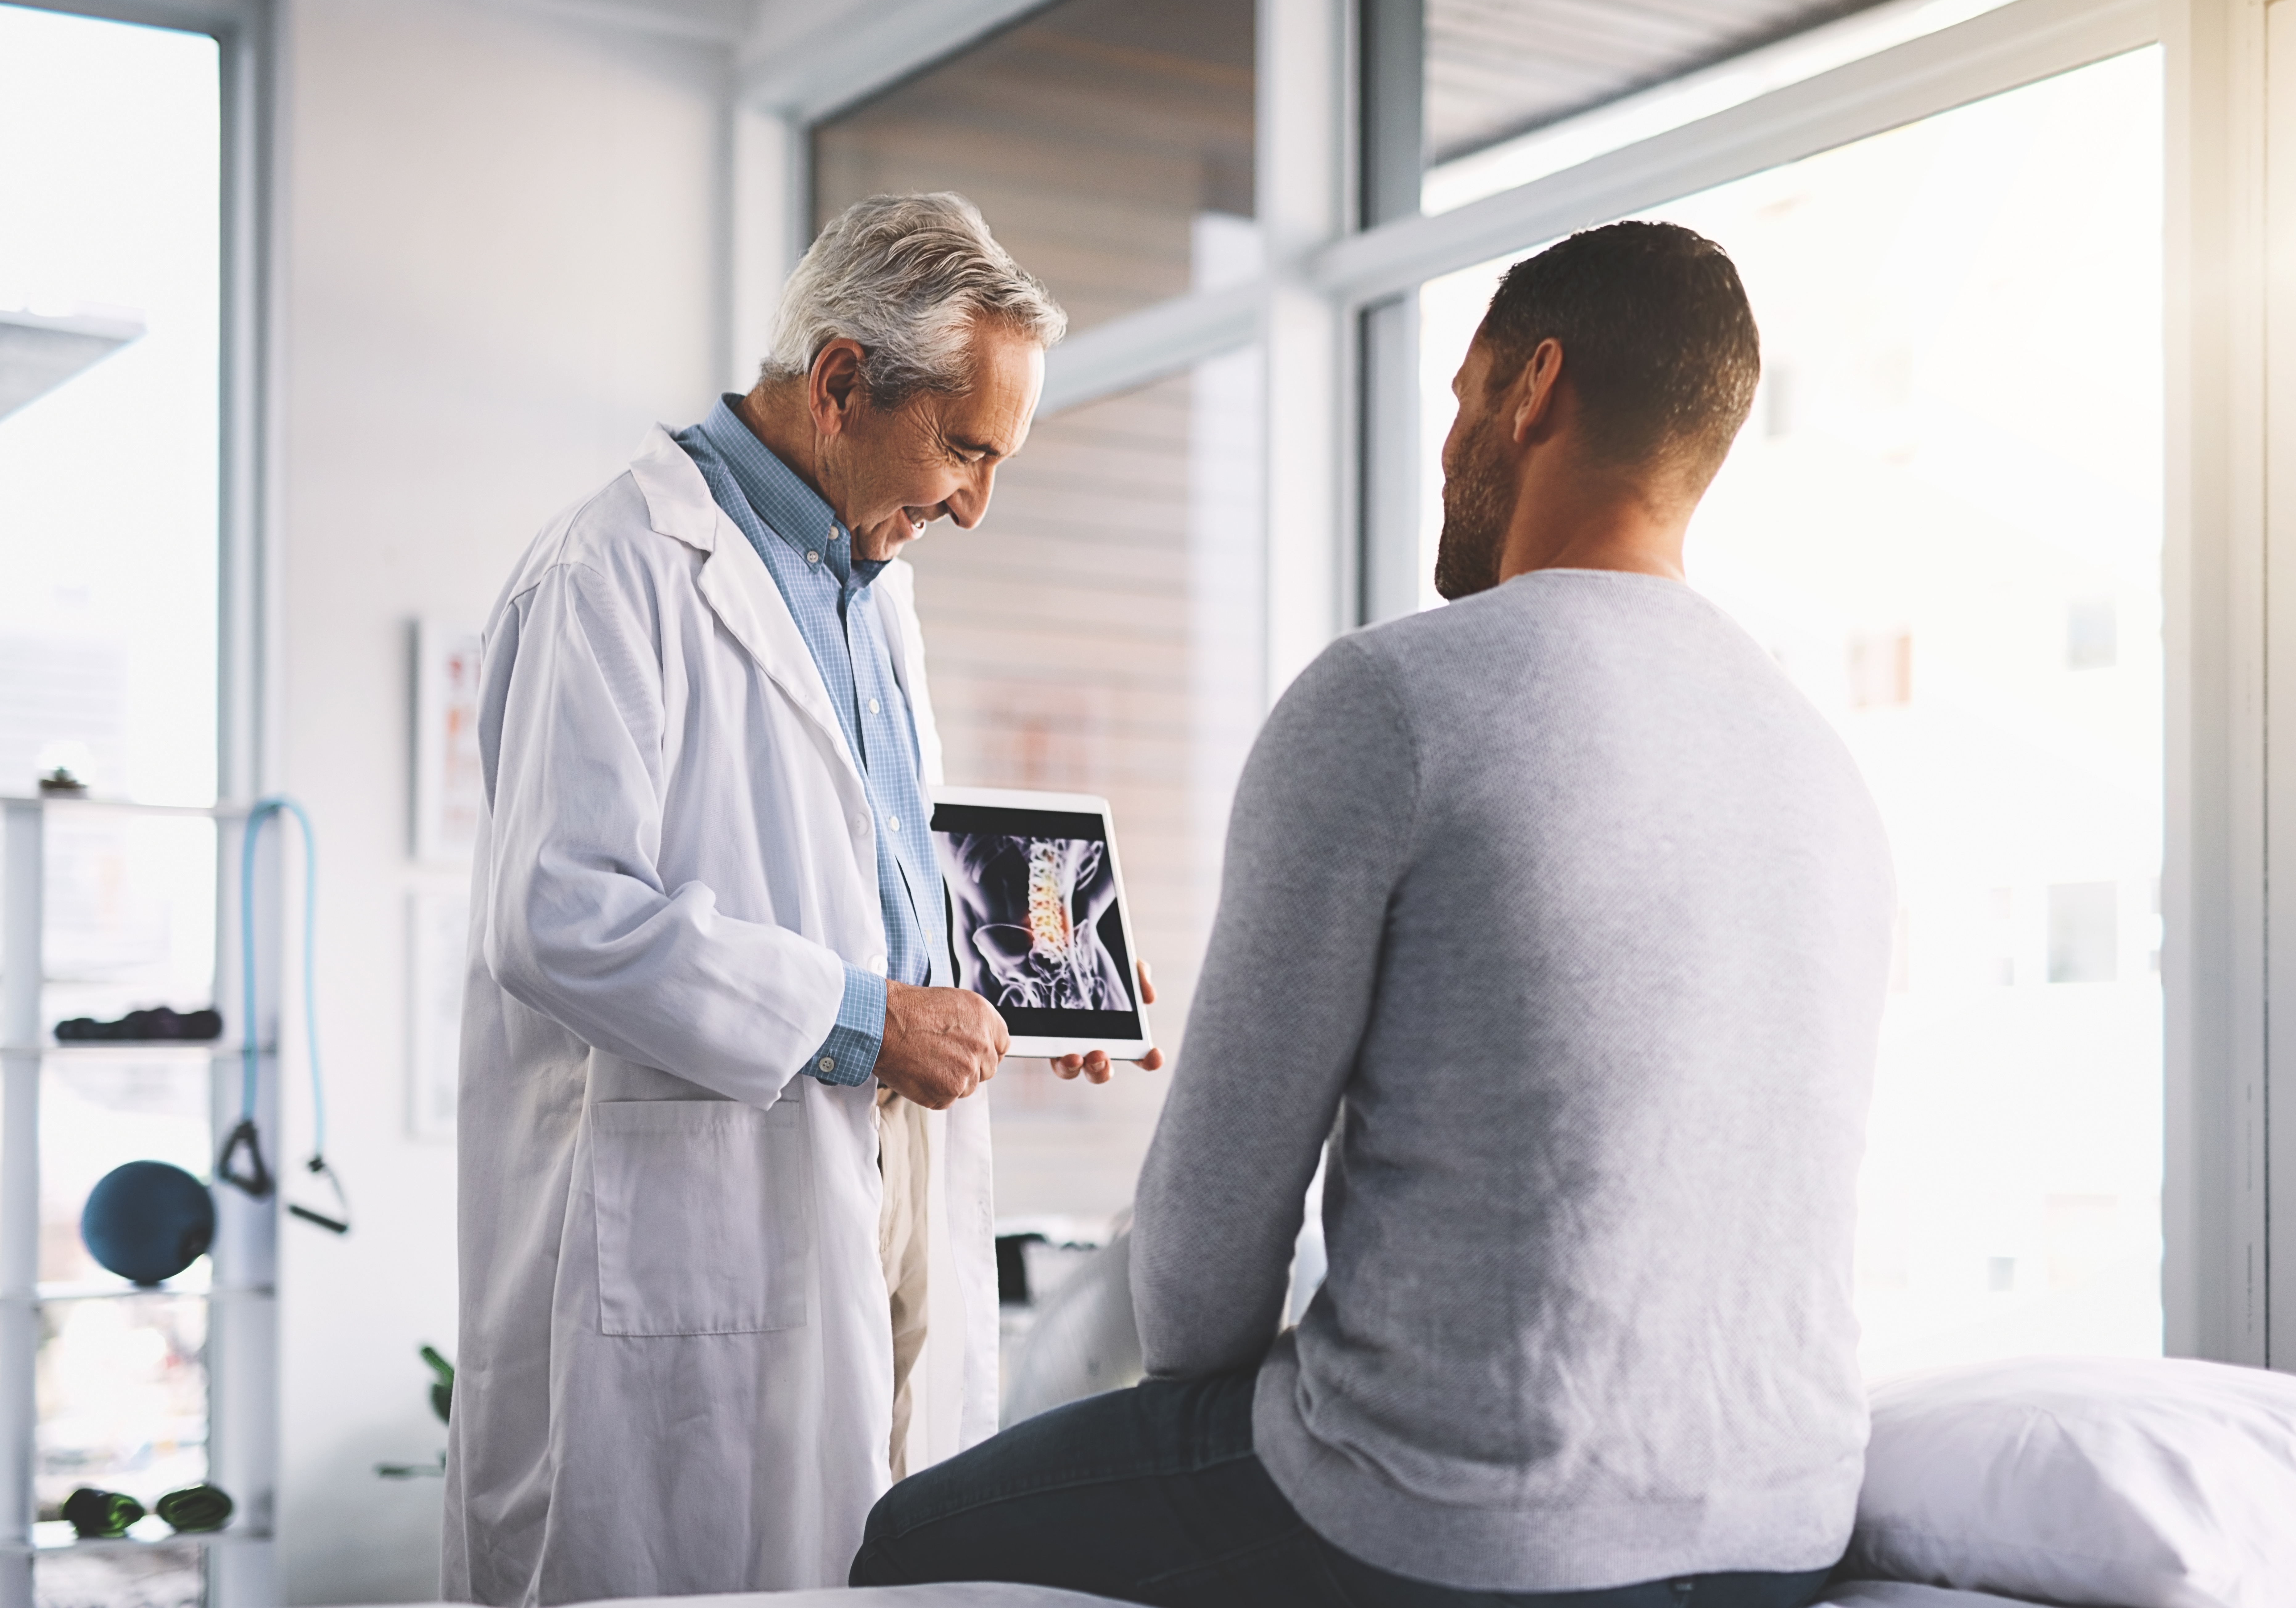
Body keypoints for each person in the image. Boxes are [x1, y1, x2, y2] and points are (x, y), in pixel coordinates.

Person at [850, 221, 1896, 1606]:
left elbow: (1204, 1276)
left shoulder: (1393, 701)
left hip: (1465, 1519)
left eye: (1461, 401)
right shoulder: (1818, 758)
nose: (1450, 445)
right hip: (1782, 1529)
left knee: (906, 1540)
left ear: (1533, 389)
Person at [442, 193, 1159, 1606]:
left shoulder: (868, 579)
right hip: (701, 1199)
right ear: (840, 382)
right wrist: (861, 1022)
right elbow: (556, 913)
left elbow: (871, 866)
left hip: (874, 1171)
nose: (974, 500)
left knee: (885, 1550)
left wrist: (1032, 981)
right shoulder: (617, 572)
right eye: (964, 449)